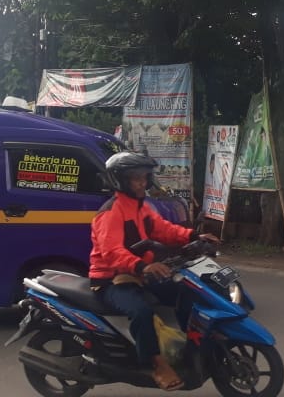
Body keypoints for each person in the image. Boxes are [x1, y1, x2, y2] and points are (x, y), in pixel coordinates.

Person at [89, 152, 220, 391]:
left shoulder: (141, 207)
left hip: (139, 274)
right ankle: (156, 364)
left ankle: (191, 346)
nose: (141, 183)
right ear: (120, 180)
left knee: (185, 290)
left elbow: (163, 229)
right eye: (135, 178)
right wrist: (143, 266)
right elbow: (111, 252)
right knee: (141, 311)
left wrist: (193, 236)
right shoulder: (110, 213)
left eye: (144, 177)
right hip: (110, 280)